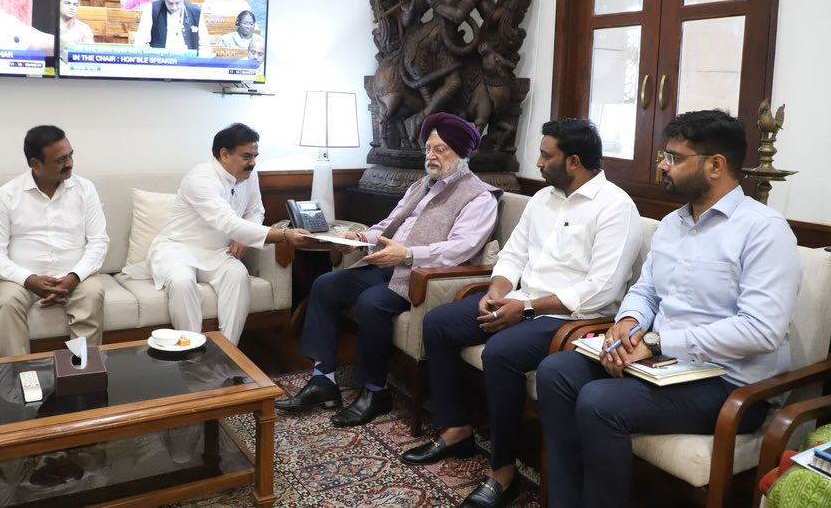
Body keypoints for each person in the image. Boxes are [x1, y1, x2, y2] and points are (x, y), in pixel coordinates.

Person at [537, 109, 802, 508]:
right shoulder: (673, 223)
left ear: (716, 165)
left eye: (674, 157)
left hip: (729, 384)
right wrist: (628, 324)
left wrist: (658, 342)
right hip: (664, 365)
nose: (663, 165)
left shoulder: (764, 229)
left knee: (599, 402)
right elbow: (646, 290)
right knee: (556, 370)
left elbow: (760, 329)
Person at [399, 118, 642, 508]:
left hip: (573, 320)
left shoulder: (615, 207)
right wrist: (497, 291)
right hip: (522, 301)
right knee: (441, 323)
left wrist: (524, 308)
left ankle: (503, 471)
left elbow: (601, 290)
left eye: (546, 156)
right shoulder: (544, 199)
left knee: (502, 353)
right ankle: (456, 428)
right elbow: (513, 254)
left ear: (574, 161)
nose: (539, 163)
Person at [276, 113, 500, 427]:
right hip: (390, 261)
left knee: (373, 302)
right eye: (428, 148)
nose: (431, 156)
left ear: (462, 154)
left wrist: (407, 254)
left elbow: (459, 249)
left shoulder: (480, 198)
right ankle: (323, 380)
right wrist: (357, 238)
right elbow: (388, 226)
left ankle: (375, 392)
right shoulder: (422, 185)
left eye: (441, 149)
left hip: (426, 276)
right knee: (326, 284)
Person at [122, 123, 310, 344]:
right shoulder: (200, 179)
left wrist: (243, 237)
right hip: (178, 248)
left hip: (218, 252)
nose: (253, 163)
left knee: (238, 275)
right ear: (224, 154)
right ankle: (191, 354)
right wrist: (284, 235)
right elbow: (227, 221)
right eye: (247, 156)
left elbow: (255, 210)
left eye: (255, 156)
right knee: (182, 283)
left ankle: (227, 353)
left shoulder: (250, 175)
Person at [0, 125, 109, 357]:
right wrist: (29, 280)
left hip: (75, 275)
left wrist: (73, 277)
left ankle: (83, 375)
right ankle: (21, 377)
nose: (69, 163)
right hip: (21, 278)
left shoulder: (85, 189)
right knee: (7, 304)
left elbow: (98, 242)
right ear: (35, 164)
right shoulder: (8, 194)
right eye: (61, 160)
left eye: (71, 155)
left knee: (92, 294)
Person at [132, 0, 209, 54]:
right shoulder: (152, 9)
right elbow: (140, 43)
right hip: (160, 62)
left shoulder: (196, 12)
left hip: (188, 63)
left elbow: (205, 46)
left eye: (178, 3)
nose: (174, 7)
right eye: (170, 3)